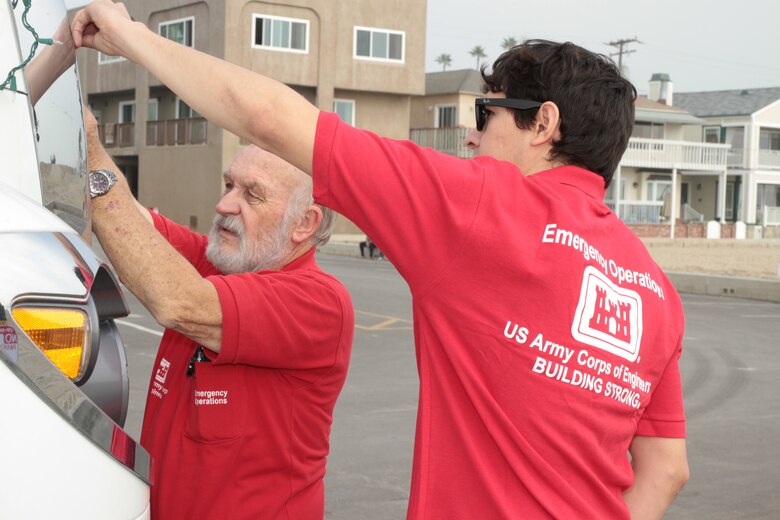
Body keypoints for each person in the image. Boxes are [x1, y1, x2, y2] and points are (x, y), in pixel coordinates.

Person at [72, 4, 689, 518]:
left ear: (543, 124)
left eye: (486, 113)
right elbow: (665, 470)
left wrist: (131, 37)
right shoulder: (655, 288)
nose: (473, 137)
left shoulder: (485, 207)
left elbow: (270, 118)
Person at [83, 107, 354, 519]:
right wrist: (84, 134)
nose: (224, 204)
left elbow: (176, 300)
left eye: (252, 194)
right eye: (228, 184)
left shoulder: (318, 302)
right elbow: (131, 219)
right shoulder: (220, 262)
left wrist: (90, 152)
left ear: (305, 223)